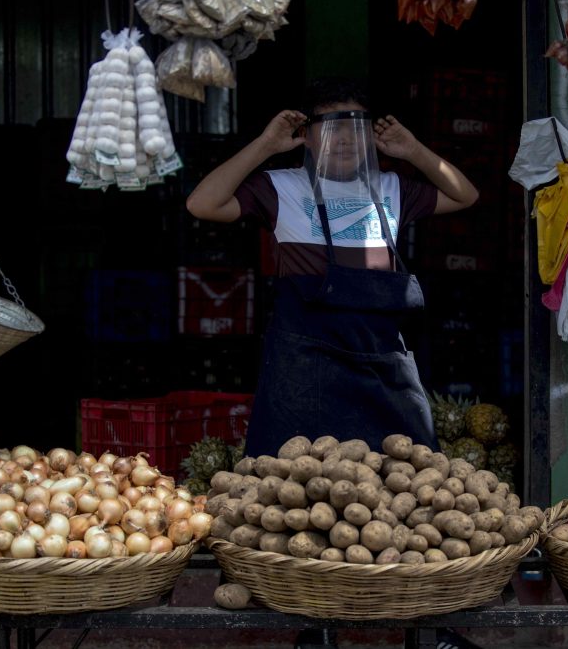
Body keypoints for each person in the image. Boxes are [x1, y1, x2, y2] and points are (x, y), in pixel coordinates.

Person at [186, 77, 478, 457]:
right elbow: (201, 204)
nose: (344, 139)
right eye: (330, 127)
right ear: (307, 136)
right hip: (305, 369)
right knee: (290, 478)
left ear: (370, 137)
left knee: (405, 468)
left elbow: (465, 194)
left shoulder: (393, 188)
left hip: (380, 363)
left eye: (356, 128)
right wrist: (265, 146)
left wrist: (414, 151)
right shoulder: (280, 187)